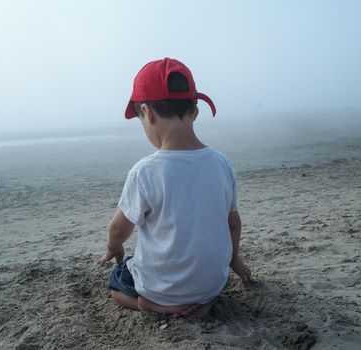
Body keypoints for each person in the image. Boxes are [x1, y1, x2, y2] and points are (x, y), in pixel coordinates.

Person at [99, 57, 251, 318]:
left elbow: (118, 227)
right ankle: (205, 301)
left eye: (140, 120)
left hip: (159, 289)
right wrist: (235, 261)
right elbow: (233, 223)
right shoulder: (222, 164)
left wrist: (114, 247)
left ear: (147, 113)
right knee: (208, 274)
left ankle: (152, 305)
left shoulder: (145, 171)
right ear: (195, 111)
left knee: (117, 281)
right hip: (212, 283)